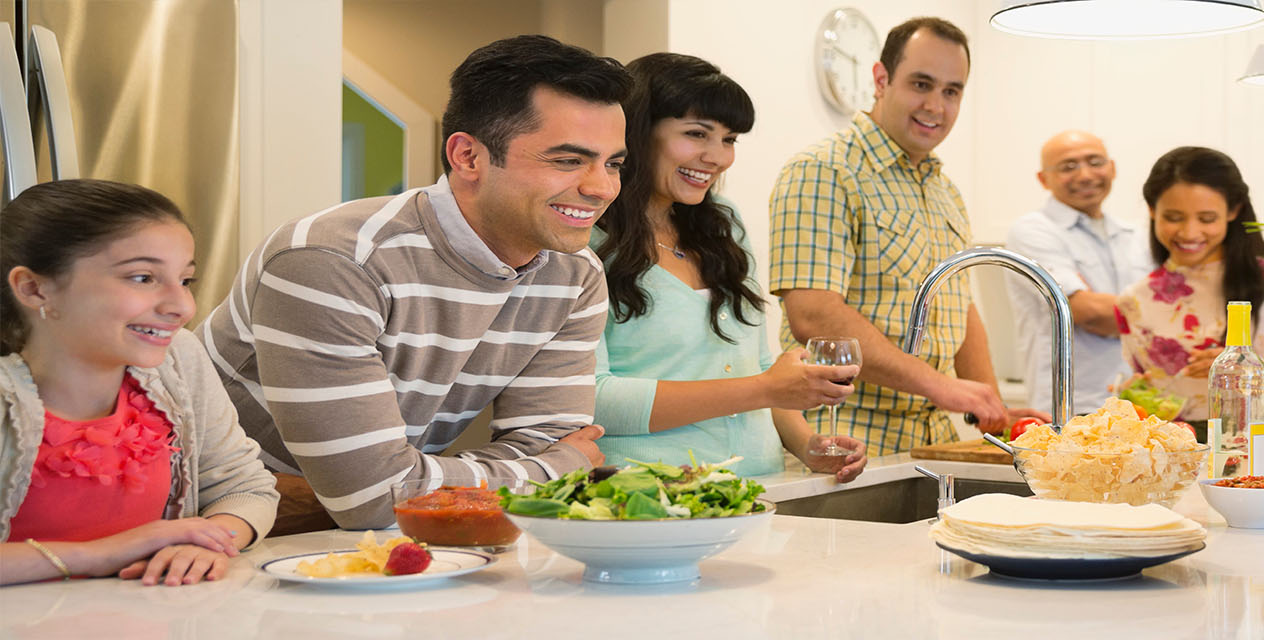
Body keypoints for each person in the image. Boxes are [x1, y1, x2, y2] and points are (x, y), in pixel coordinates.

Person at [199, 35, 629, 531]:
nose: (601, 188)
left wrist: (409, 484)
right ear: (468, 156)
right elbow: (375, 499)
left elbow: (542, 446)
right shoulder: (332, 259)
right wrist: (562, 466)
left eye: (613, 163)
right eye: (567, 161)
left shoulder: (574, 273)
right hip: (208, 534)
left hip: (375, 541)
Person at [769, 17, 1047, 455]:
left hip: (933, 440)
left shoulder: (944, 190)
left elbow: (961, 308)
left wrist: (993, 410)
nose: (936, 105)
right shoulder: (824, 170)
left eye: (951, 91)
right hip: (844, 439)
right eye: (921, 84)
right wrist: (940, 385)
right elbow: (814, 315)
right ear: (881, 79)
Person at [592, 53, 866, 481]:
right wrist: (765, 388)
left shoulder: (724, 224)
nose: (717, 157)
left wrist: (808, 446)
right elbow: (595, 399)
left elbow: (756, 368)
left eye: (730, 139)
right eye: (697, 134)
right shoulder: (588, 239)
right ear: (639, 131)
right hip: (648, 496)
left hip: (759, 487)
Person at [2, 180, 278, 586]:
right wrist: (98, 554)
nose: (182, 307)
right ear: (34, 288)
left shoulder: (178, 359)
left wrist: (204, 540)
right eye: (142, 278)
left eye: (185, 280)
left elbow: (245, 488)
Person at [1115, 147, 1264, 423]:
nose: (1190, 232)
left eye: (1207, 219)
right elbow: (1155, 401)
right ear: (1152, 210)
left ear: (1233, 211)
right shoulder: (1133, 302)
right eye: (1173, 217)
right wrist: (1133, 394)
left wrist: (1243, 372)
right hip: (1181, 456)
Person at [1003, 130, 1151, 416]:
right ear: (1043, 179)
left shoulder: (1136, 235)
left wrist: (1117, 310)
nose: (1085, 175)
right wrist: (1160, 318)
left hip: (1137, 407)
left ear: (1113, 168)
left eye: (1095, 162)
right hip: (1070, 407)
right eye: (1068, 167)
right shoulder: (1033, 231)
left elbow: (1113, 312)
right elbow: (1089, 313)